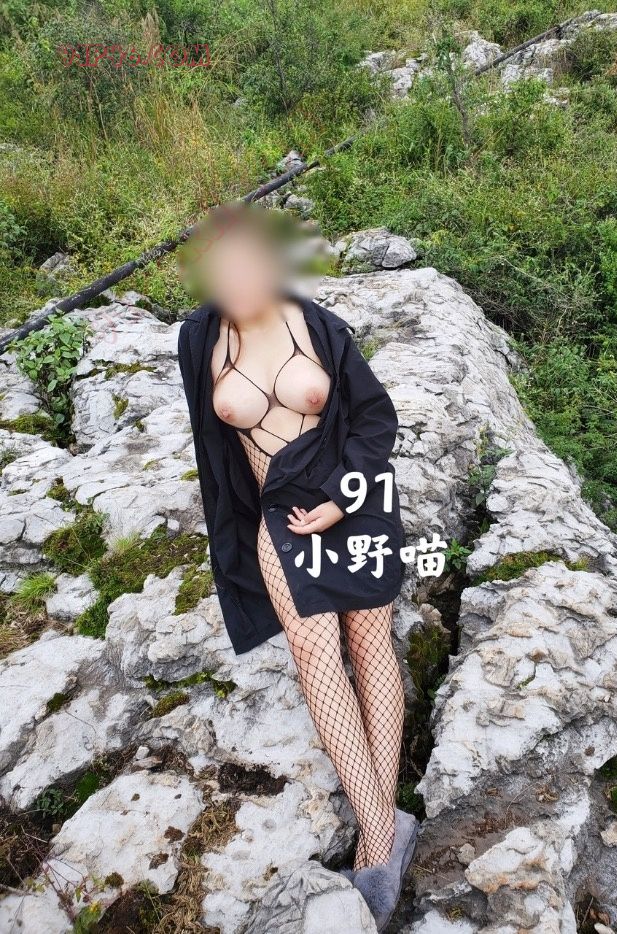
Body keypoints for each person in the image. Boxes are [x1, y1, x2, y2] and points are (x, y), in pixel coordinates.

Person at [176, 202, 418, 928]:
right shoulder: (199, 339)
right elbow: (213, 454)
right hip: (279, 516)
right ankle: (383, 828)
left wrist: (345, 498)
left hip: (355, 501)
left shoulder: (315, 324)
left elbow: (374, 418)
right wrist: (235, 538)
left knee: (367, 644)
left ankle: (378, 836)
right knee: (315, 655)